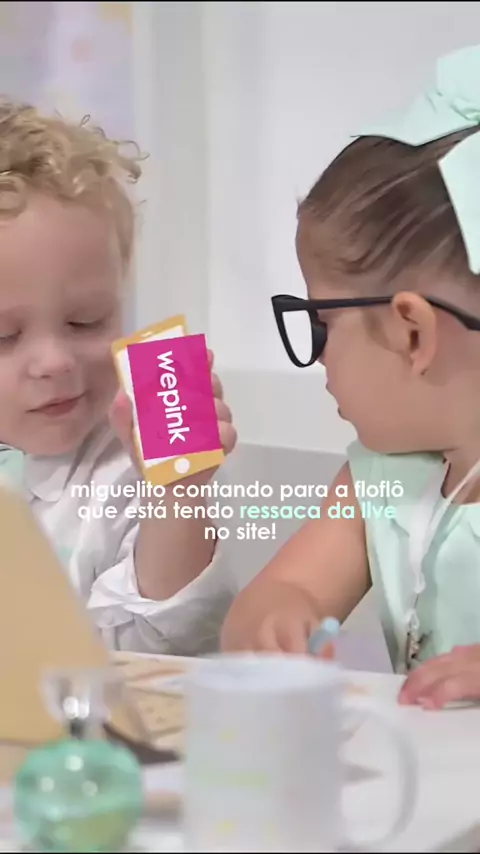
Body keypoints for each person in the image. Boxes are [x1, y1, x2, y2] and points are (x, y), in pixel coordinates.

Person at [221, 44, 480, 708]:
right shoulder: (382, 479)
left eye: (323, 325)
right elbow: (278, 595)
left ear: (412, 332)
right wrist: (278, 621)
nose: (319, 357)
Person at [0, 99, 237, 655]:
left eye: (87, 320)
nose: (55, 361)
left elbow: (166, 642)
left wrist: (177, 495)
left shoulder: (127, 468)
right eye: (4, 335)